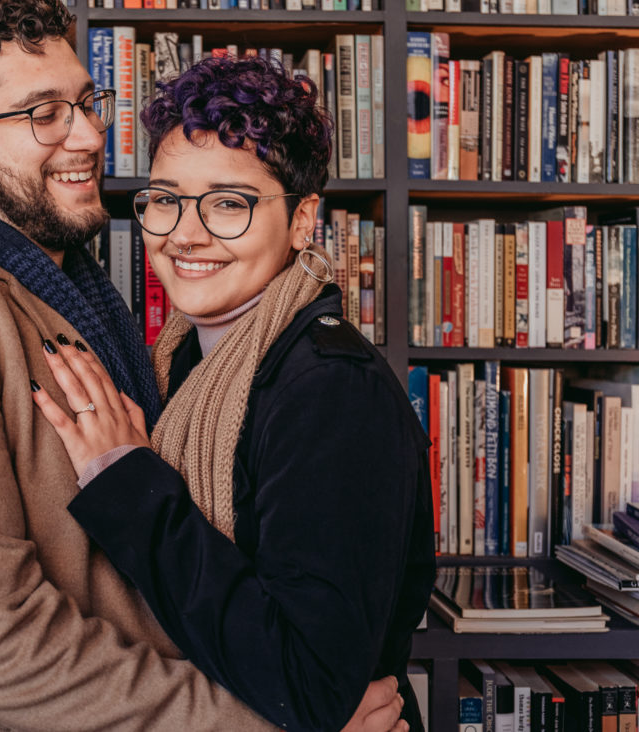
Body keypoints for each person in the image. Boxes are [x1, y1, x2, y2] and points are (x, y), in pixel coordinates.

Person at [0, 0, 414, 729]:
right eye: (43, 113)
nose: (90, 135)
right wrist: (268, 721)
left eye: (88, 103)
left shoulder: (85, 305)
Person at [32, 56, 436, 731]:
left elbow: (309, 685)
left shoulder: (332, 390)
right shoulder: (174, 361)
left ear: (303, 219)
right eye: (165, 199)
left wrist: (126, 479)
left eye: (228, 203)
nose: (185, 234)